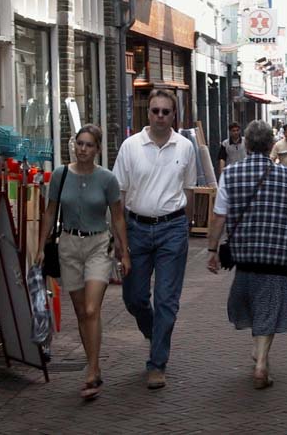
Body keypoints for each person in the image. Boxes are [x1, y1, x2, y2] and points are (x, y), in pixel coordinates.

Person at [207, 120, 287, 389]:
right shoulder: (286, 177)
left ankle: (258, 354)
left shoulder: (230, 174)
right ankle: (261, 361)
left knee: (253, 303)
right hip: (275, 256)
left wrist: (212, 250)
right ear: (269, 146)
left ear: (248, 144)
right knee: (270, 305)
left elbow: (219, 216)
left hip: (244, 256)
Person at [36, 124, 130, 400]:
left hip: (98, 244)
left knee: (91, 307)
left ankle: (92, 367)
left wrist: (124, 252)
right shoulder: (60, 175)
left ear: (97, 149)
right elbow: (50, 211)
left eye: (89, 145)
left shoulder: (107, 179)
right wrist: (41, 247)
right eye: (79, 144)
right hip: (68, 245)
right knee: (80, 311)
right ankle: (94, 367)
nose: (82, 149)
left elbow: (118, 217)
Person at [112, 89, 198, 390]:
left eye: (166, 111)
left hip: (172, 229)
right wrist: (119, 241)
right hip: (136, 228)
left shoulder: (186, 147)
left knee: (166, 300)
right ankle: (154, 332)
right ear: (147, 113)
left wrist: (183, 226)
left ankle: (157, 362)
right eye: (155, 111)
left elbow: (189, 191)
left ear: (174, 115)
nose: (160, 116)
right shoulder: (130, 147)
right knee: (133, 297)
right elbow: (118, 197)